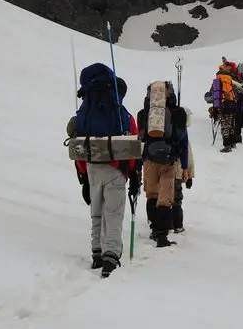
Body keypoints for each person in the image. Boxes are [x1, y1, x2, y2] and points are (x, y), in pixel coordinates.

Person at [67, 63, 141, 278]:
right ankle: (111, 256)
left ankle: (97, 253)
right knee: (114, 214)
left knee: (96, 213)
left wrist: (83, 176)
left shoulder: (83, 113)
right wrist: (134, 175)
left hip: (91, 168)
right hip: (116, 169)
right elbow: (133, 148)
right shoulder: (123, 115)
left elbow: (79, 146)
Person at [137, 81, 190, 247]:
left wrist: (139, 165)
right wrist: (185, 165)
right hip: (169, 160)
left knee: (152, 195)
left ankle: (154, 228)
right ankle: (162, 236)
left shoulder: (143, 113)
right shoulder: (178, 113)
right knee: (165, 198)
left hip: (149, 160)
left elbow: (141, 138)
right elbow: (183, 141)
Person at [210, 59, 243, 152]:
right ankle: (233, 143)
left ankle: (227, 145)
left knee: (225, 125)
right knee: (231, 124)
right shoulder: (230, 79)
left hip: (224, 105)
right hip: (233, 104)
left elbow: (214, 94)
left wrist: (215, 108)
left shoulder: (218, 80)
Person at [172, 107, 195, 234]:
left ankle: (167, 222)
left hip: (168, 168)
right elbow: (188, 157)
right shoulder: (182, 133)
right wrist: (189, 174)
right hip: (179, 172)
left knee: (165, 196)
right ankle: (177, 224)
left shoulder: (170, 131)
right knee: (177, 198)